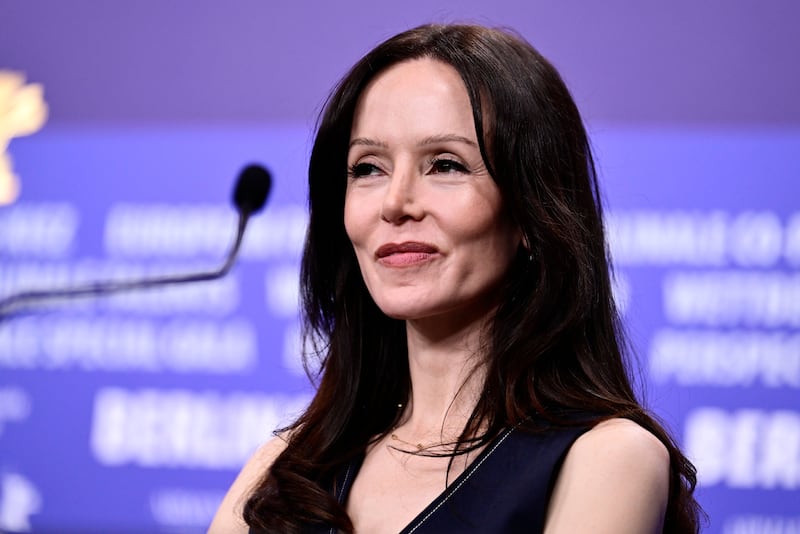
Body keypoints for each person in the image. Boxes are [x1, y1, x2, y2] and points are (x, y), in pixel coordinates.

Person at [210, 23, 702, 533]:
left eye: (445, 165)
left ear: (532, 215)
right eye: (368, 168)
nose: (395, 202)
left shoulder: (607, 457)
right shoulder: (285, 467)